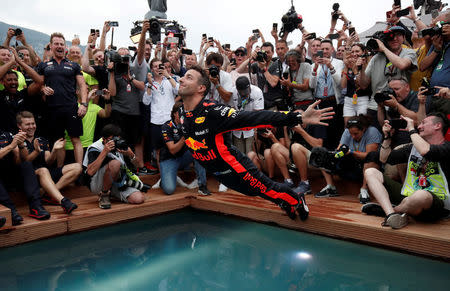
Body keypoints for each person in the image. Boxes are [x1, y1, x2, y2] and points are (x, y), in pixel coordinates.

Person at [178, 65, 334, 221]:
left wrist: (296, 118)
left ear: (201, 88)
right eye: (184, 76)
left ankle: (296, 199)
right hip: (220, 174)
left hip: (236, 168)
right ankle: (283, 200)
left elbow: (255, 118)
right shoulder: (182, 114)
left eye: (188, 77)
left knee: (266, 189)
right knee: (255, 192)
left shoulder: (212, 111)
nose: (181, 79)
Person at [363, 113, 450, 229]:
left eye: (423, 123)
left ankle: (393, 210)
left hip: (437, 204)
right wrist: (387, 138)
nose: (419, 126)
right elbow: (384, 159)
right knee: (371, 172)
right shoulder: (412, 148)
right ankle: (392, 215)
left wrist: (411, 129)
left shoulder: (447, 147)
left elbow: (426, 151)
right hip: (409, 196)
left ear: (437, 126)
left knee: (420, 196)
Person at [36, 33, 88, 165]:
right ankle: (60, 170)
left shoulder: (74, 65)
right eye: (56, 44)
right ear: (51, 46)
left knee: (75, 139)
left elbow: (82, 85)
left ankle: (79, 170)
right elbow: (38, 84)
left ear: (65, 47)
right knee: (58, 141)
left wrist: (84, 104)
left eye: (61, 44)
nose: (59, 46)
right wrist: (42, 88)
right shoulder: (44, 65)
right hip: (52, 108)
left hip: (71, 108)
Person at [17, 111, 81, 214]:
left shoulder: (41, 140)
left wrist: (55, 150)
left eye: (33, 123)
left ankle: (47, 193)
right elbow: (24, 161)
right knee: (43, 170)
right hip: (28, 177)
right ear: (19, 126)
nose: (31, 126)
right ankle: (63, 201)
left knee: (77, 167)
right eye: (27, 124)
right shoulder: (17, 140)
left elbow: (48, 161)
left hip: (45, 174)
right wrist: (36, 152)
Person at [315, 115, 382, 203]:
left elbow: (369, 155)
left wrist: (351, 152)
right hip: (351, 165)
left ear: (364, 129)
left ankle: (364, 190)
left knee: (373, 155)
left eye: (356, 134)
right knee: (321, 152)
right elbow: (339, 149)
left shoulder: (372, 131)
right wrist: (336, 153)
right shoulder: (347, 131)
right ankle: (331, 187)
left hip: (367, 168)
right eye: (351, 134)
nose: (353, 136)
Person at [83, 124, 145, 209]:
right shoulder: (95, 148)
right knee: (115, 163)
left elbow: (138, 165)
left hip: (117, 181)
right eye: (111, 139)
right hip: (97, 182)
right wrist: (105, 151)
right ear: (104, 139)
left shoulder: (120, 145)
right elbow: (90, 171)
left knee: (139, 199)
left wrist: (131, 155)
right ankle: (104, 195)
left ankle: (112, 194)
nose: (115, 141)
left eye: (117, 139)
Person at [0, 130, 50, 225]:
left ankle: (36, 207)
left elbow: (21, 159)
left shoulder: (6, 135)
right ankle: (10, 211)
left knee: (26, 164)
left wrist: (21, 145)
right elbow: (10, 147)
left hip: (9, 176)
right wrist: (11, 146)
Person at [159, 102, 210, 195]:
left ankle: (202, 185)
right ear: (174, 113)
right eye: (181, 112)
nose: (184, 115)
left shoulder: (188, 123)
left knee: (200, 150)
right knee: (169, 190)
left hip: (184, 157)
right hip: (169, 159)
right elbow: (172, 150)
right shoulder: (166, 127)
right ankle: (165, 179)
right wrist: (184, 138)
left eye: (185, 112)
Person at [230, 76, 264, 155]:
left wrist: (256, 133)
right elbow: (231, 108)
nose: (244, 93)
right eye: (242, 92)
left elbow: (258, 113)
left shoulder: (257, 91)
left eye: (246, 91)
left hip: (251, 128)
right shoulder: (232, 91)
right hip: (237, 129)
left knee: (250, 155)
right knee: (239, 155)